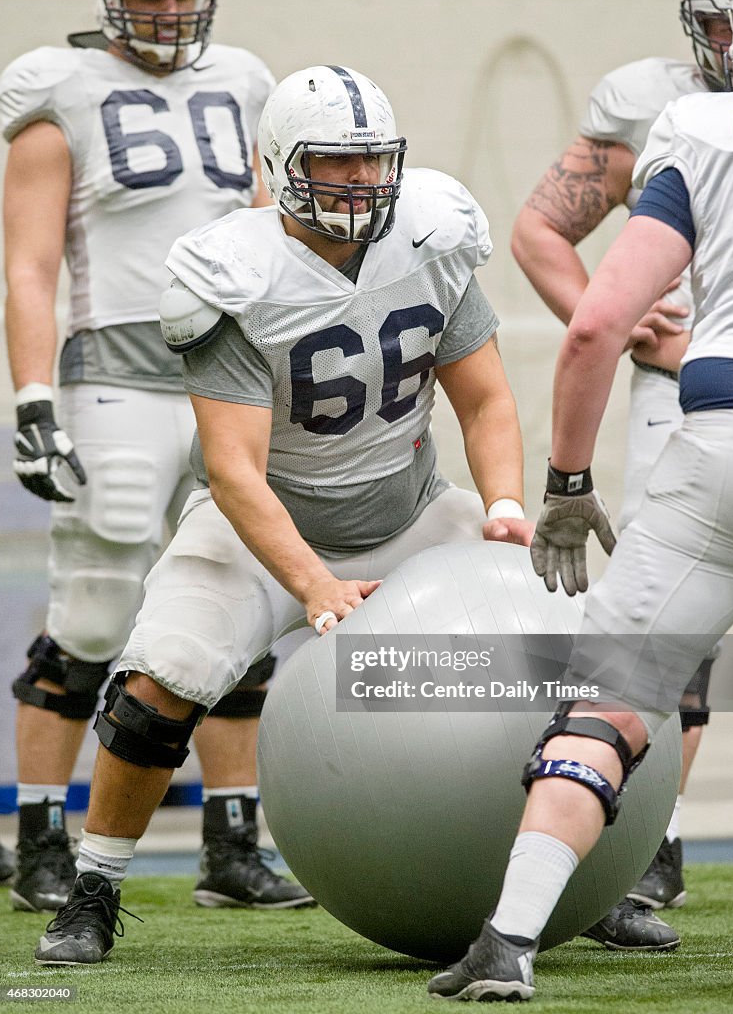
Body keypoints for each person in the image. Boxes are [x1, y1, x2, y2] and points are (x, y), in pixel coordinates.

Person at [31, 62, 535, 966]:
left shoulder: (433, 232)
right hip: (263, 523)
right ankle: (94, 884)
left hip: (411, 508)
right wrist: (313, 585)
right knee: (161, 677)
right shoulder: (233, 268)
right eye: (334, 164)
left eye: (373, 161)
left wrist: (501, 506)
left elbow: (488, 402)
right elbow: (233, 470)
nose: (359, 181)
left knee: (564, 656)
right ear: (278, 164)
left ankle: (585, 871)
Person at [427, 1, 733, 1004]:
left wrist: (565, 483)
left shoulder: (697, 128)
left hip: (721, 441)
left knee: (608, 699)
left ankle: (510, 942)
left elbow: (594, 326)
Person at [0, 0, 312, 915]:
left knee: (235, 598)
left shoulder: (248, 80)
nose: (168, 9)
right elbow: (29, 266)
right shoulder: (61, 86)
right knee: (93, 612)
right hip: (115, 382)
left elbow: (272, 238)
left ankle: (232, 846)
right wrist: (31, 399)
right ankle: (41, 843)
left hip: (229, 376)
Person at [509, 0, 733, 918]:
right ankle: (651, 850)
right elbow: (541, 228)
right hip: (685, 392)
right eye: (715, 21)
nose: (725, 41)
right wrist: (605, 318)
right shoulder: (650, 100)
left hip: (719, 404)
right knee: (660, 646)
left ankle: (582, 874)